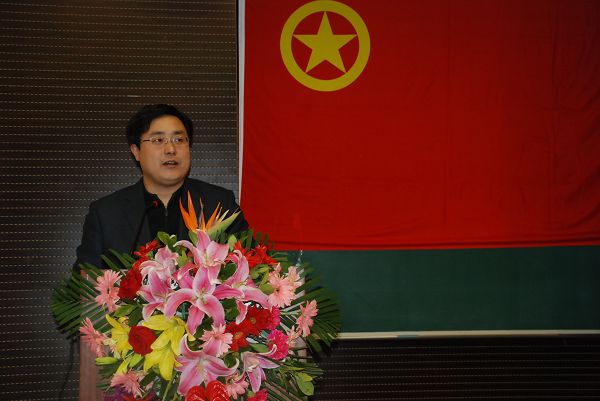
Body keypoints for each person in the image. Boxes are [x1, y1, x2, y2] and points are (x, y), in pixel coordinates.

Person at [74, 104, 248, 270]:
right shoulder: (106, 214)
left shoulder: (218, 204)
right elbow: (83, 283)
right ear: (136, 151)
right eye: (158, 140)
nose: (171, 149)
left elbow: (249, 265)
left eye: (179, 139)